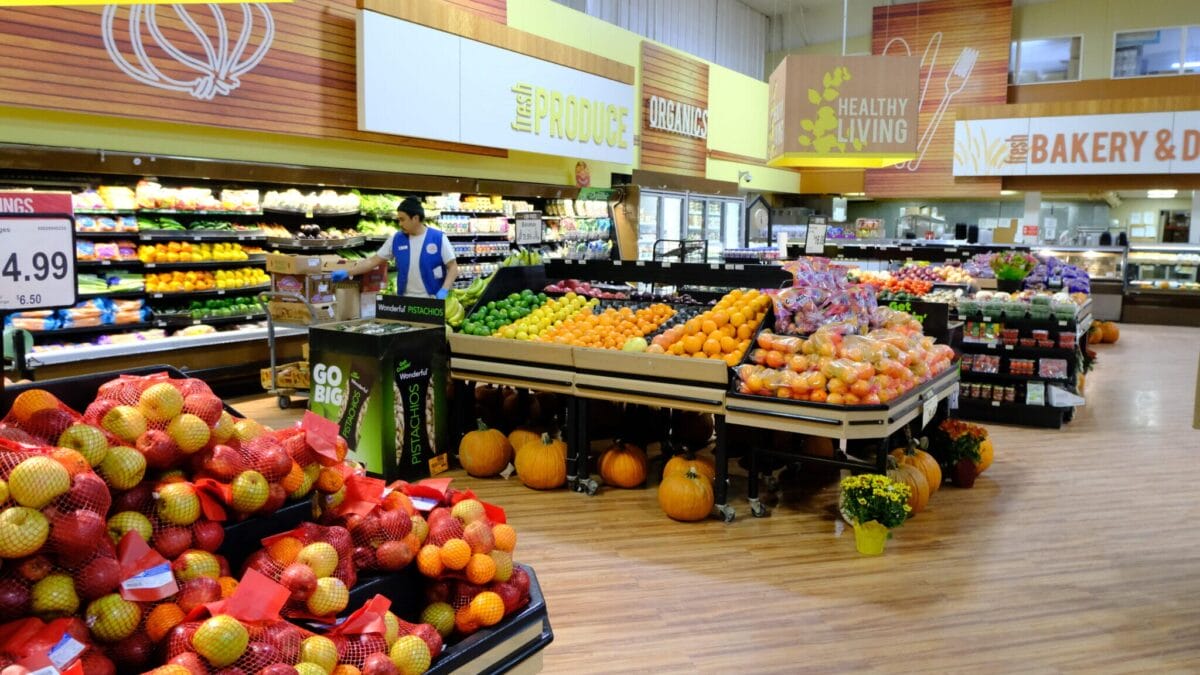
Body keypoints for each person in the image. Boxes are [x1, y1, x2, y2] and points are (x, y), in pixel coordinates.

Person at [334, 197, 457, 299]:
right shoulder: (396, 239)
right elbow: (372, 261)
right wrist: (348, 272)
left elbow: (453, 267)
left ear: (415, 218)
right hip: (405, 300)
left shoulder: (438, 238)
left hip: (433, 299)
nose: (400, 224)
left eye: (402, 219)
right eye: (398, 220)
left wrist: (444, 289)